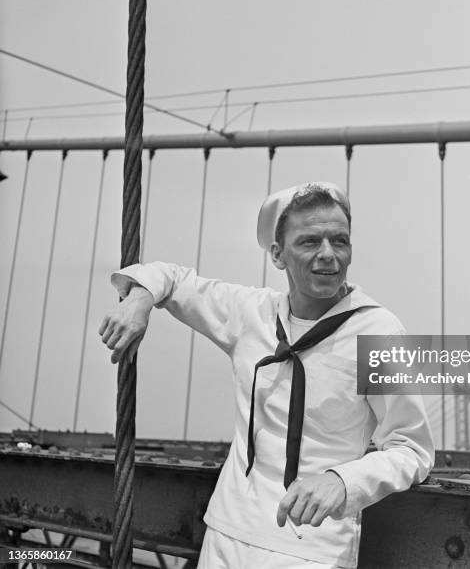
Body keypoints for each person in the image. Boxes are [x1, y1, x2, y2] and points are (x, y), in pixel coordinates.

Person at [99, 182, 434, 569]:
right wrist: (140, 300)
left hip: (313, 547)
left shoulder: (378, 330)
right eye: (310, 242)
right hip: (226, 536)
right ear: (278, 255)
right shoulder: (251, 313)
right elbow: (171, 278)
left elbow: (411, 448)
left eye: (339, 241)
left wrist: (344, 480)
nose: (329, 255)